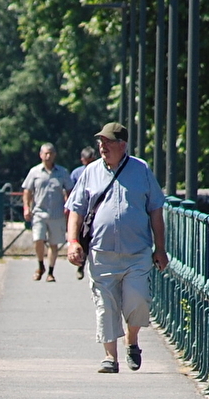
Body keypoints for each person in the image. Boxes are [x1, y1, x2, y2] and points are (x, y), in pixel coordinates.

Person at [65, 123, 167, 374]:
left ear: (123, 146)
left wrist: (160, 248)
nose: (103, 147)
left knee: (139, 300)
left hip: (137, 252)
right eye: (101, 142)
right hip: (102, 253)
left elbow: (155, 209)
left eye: (108, 142)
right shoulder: (91, 172)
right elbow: (76, 209)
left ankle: (132, 340)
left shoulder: (141, 170)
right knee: (105, 305)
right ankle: (110, 357)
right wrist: (73, 242)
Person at [21, 143, 72, 282]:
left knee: (54, 244)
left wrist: (68, 206)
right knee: (38, 239)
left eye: (50, 153)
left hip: (56, 213)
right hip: (39, 212)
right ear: (41, 155)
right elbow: (27, 190)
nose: (48, 156)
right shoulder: (35, 172)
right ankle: (40, 265)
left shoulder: (62, 172)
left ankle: (50, 271)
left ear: (54, 155)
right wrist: (26, 207)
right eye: (45, 153)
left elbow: (69, 190)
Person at [68, 147, 99, 280]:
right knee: (81, 237)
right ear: (82, 160)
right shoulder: (77, 173)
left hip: (94, 212)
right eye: (86, 162)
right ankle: (80, 263)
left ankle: (84, 263)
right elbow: (71, 191)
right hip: (81, 211)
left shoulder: (100, 172)